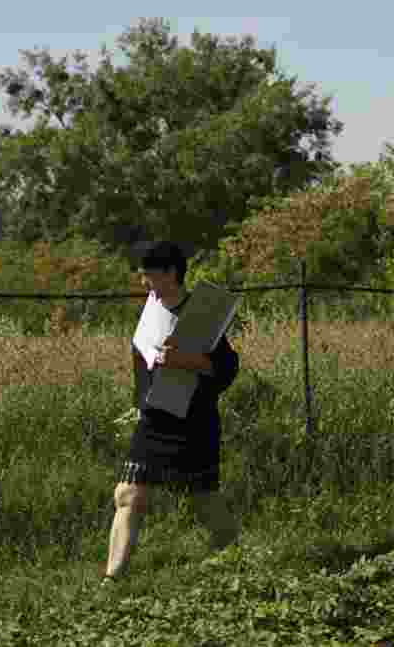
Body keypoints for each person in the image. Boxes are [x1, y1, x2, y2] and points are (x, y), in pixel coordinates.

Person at [103, 241, 241, 582]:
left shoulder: (202, 311)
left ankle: (235, 556)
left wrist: (187, 361)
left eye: (148, 274)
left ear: (170, 274)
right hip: (153, 419)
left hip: (194, 421)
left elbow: (226, 368)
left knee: (204, 499)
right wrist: (139, 404)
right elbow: (141, 364)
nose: (143, 281)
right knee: (128, 493)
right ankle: (113, 579)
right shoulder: (151, 310)